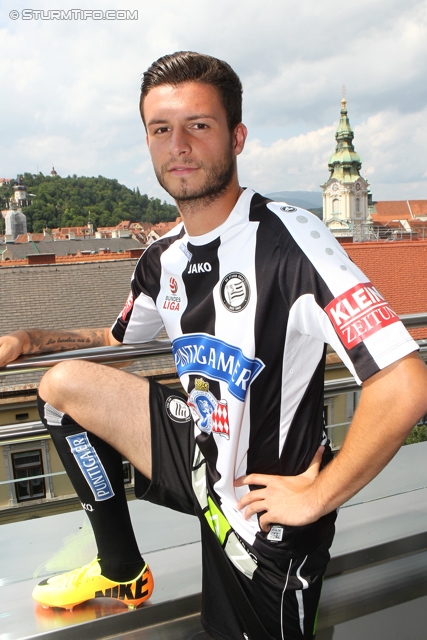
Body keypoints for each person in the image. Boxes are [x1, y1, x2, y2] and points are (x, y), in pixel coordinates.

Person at [1, 51, 427, 640]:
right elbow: (115, 339)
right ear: (148, 144)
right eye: (161, 129)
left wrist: (319, 496)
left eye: (198, 125)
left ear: (237, 136)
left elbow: (403, 381)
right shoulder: (161, 257)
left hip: (263, 514)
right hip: (200, 460)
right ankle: (121, 569)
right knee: (60, 388)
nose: (179, 144)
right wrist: (29, 339)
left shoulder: (290, 242)